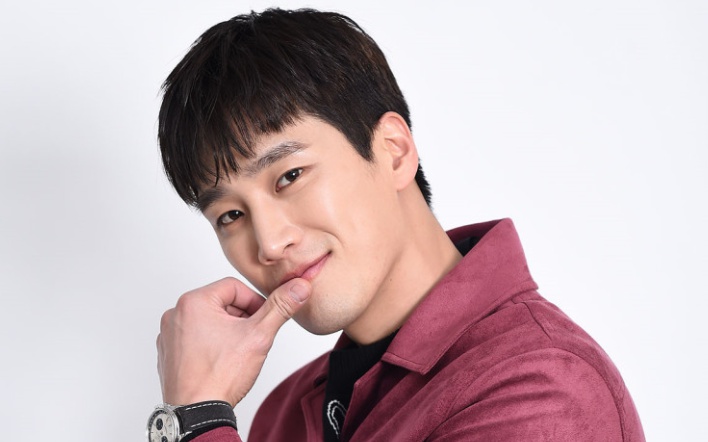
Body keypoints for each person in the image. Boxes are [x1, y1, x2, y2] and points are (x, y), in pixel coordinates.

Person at [149, 8, 645, 442]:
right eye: (231, 216)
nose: (271, 243)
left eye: (290, 176)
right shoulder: (285, 414)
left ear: (394, 151)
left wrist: (196, 419)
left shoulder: (541, 384)